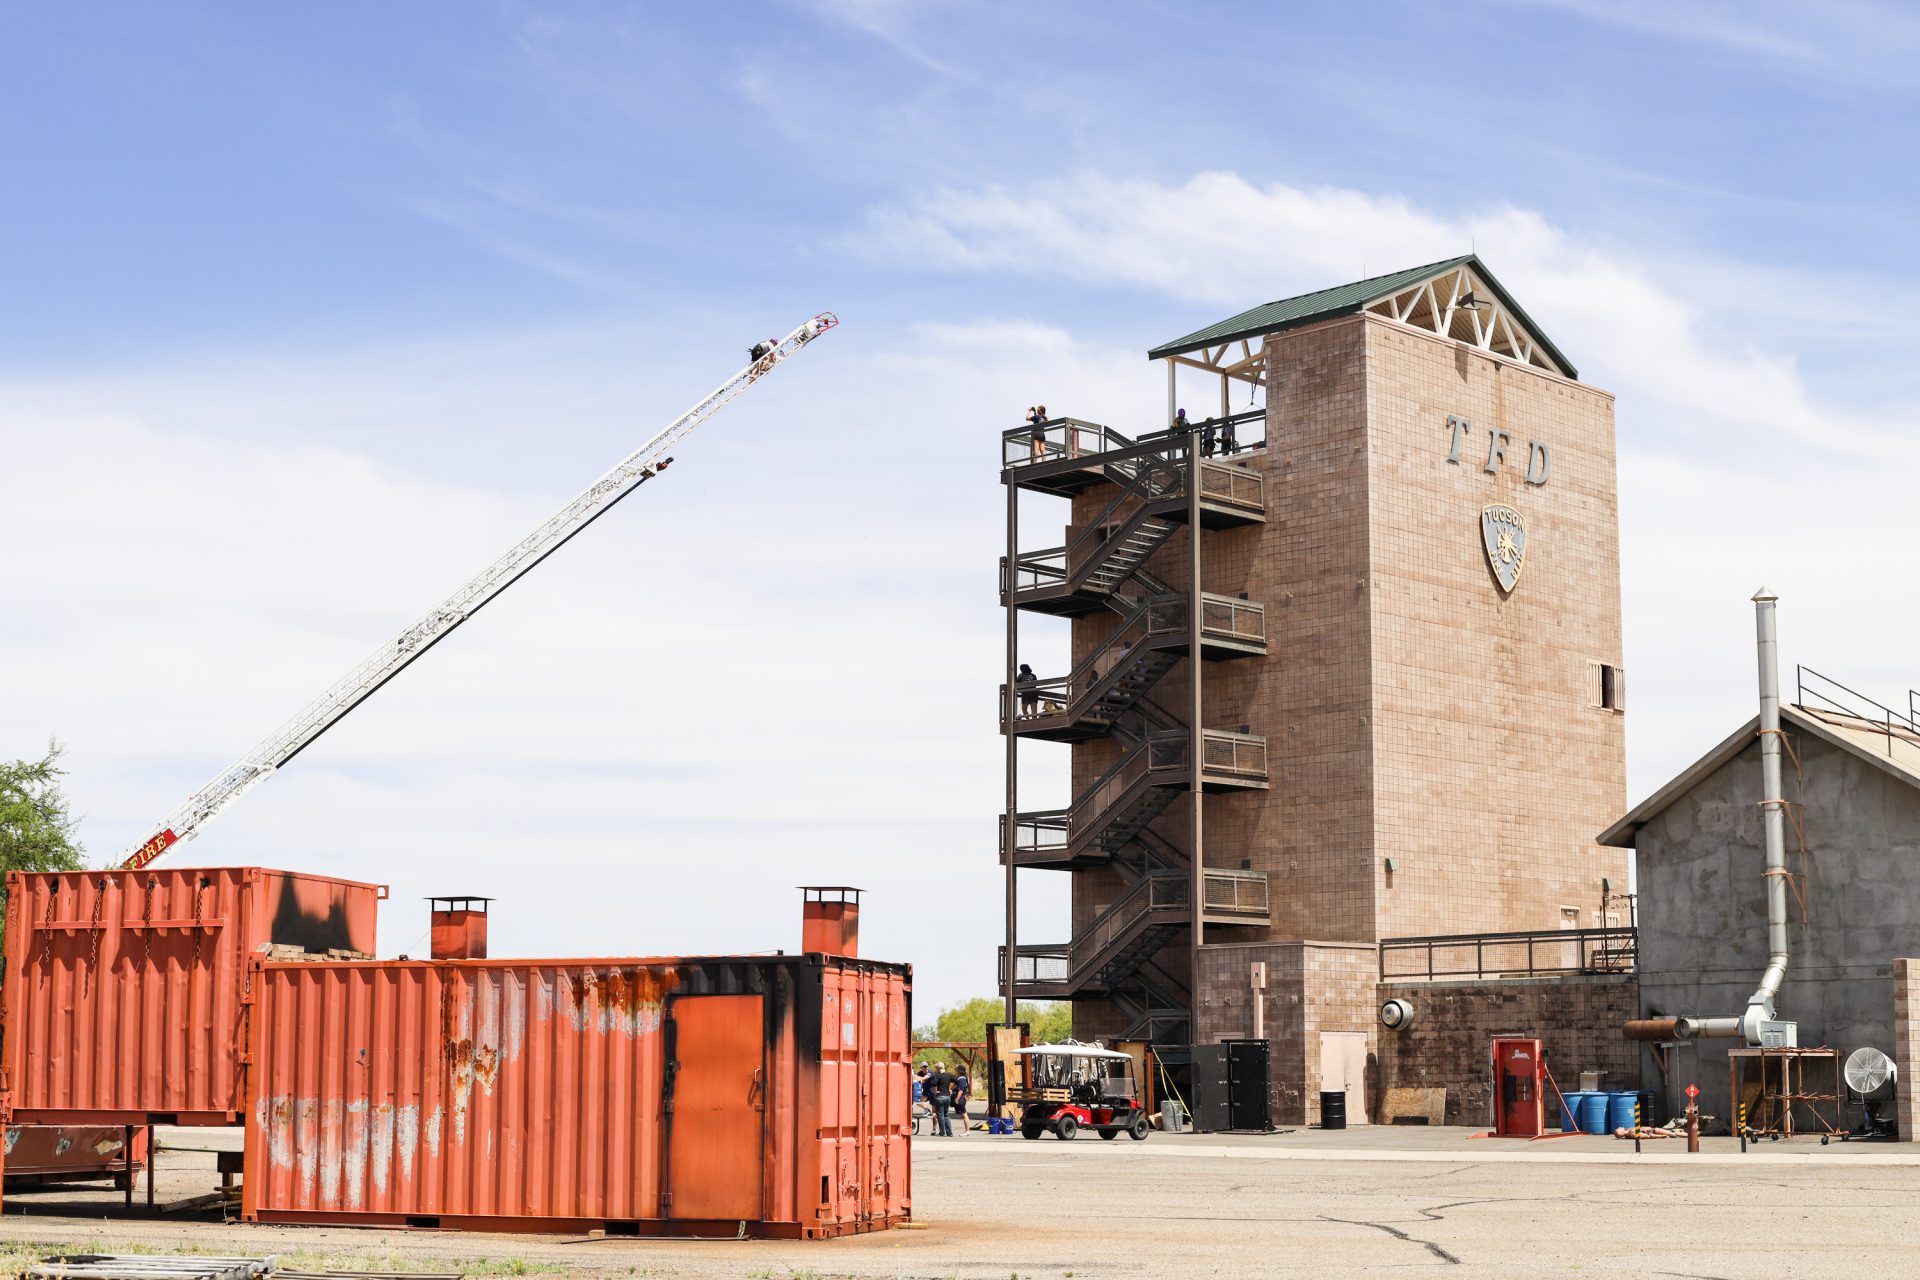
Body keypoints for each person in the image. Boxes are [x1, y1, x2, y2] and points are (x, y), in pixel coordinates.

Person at [926, 1062, 955, 1137]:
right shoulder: (949, 1075)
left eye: (936, 1068)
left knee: (940, 1115)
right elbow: (957, 1081)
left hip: (940, 1097)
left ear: (938, 1068)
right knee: (946, 1114)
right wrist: (951, 1089)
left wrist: (935, 1092)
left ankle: (942, 1132)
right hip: (948, 1096)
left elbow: (933, 1084)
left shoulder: (937, 1075)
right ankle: (950, 1133)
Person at [951, 1066, 971, 1132]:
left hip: (960, 1098)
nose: (956, 1072)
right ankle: (966, 1130)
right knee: (963, 1115)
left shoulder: (962, 1079)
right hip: (961, 1098)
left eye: (957, 1071)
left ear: (959, 1072)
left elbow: (961, 1090)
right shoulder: (960, 1078)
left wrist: (957, 1099)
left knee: (964, 1115)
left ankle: (967, 1131)